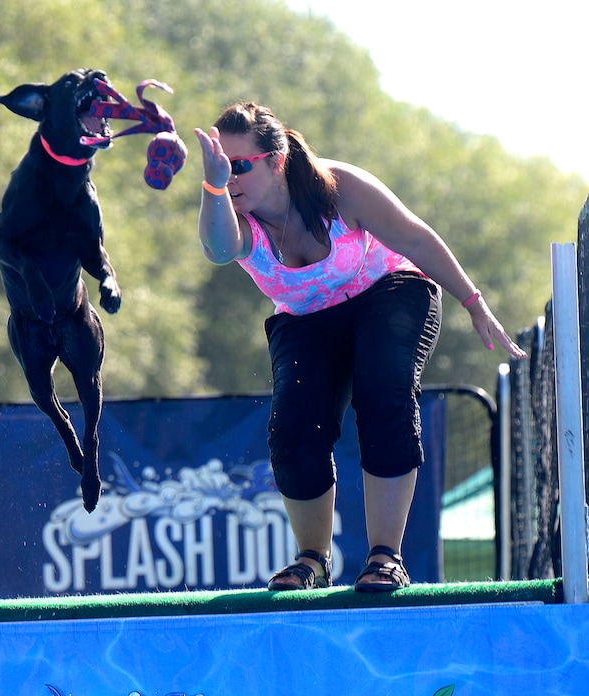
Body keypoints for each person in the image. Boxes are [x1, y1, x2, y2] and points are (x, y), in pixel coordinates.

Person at [194, 103, 526, 592]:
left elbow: (415, 237)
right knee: (293, 427)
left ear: (277, 160)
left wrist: (473, 302)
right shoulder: (238, 217)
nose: (231, 176)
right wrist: (214, 185)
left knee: (383, 388)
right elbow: (219, 250)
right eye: (222, 167)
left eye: (239, 165)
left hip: (388, 290)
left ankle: (386, 556)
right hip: (306, 318)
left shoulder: (338, 188)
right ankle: (312, 559)